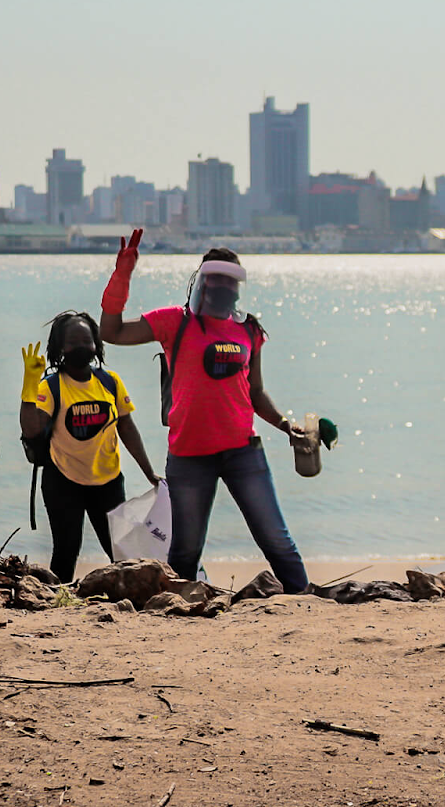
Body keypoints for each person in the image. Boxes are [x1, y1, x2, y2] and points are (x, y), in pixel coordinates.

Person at [98, 232, 311, 591]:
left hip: (244, 452)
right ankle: (181, 616)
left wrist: (285, 425)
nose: (224, 286)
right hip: (189, 457)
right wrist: (122, 276)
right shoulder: (174, 322)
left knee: (277, 541)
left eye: (232, 280)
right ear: (202, 280)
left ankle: (305, 604)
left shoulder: (249, 330)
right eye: (217, 278)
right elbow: (111, 331)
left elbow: (255, 392)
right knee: (185, 551)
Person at [20, 311, 160, 582]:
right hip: (63, 480)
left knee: (119, 552)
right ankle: (58, 607)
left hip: (107, 481)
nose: (81, 347)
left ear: (96, 345)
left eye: (87, 341)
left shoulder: (110, 382)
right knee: (66, 550)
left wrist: (149, 472)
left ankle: (129, 603)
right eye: (73, 342)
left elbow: (127, 428)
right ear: (61, 347)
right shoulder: (52, 386)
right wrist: (29, 387)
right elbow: (32, 429)